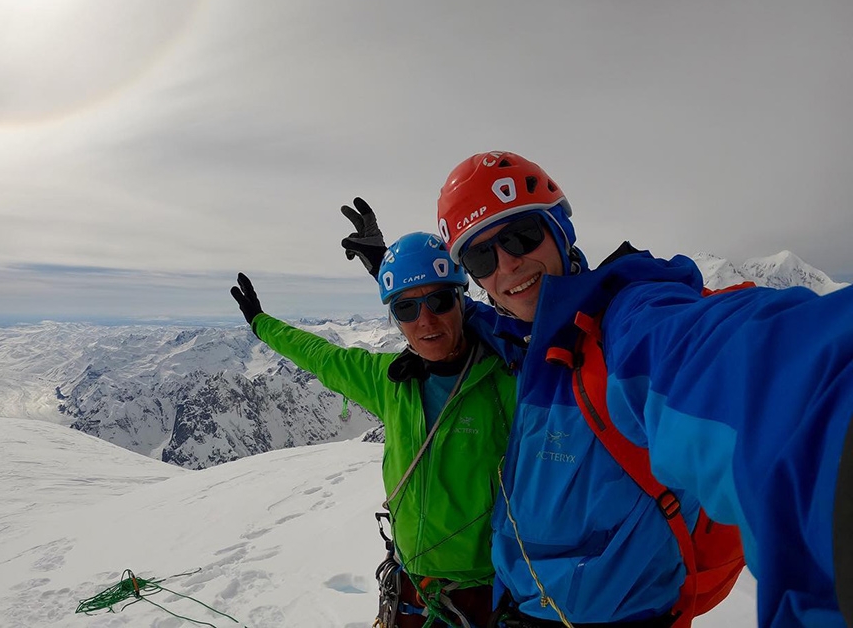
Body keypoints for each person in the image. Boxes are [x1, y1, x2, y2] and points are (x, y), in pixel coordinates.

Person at [343, 151, 853, 628]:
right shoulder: (522, 338)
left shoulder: (626, 324)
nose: (507, 265)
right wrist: (392, 272)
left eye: (521, 236)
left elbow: (761, 377)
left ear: (560, 229)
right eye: (480, 258)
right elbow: (445, 320)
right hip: (518, 608)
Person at [230, 230, 517, 628]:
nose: (426, 320)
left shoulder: (508, 382)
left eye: (439, 301)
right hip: (409, 591)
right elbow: (320, 357)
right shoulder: (390, 381)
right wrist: (261, 324)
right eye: (405, 309)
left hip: (486, 600)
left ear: (462, 301)